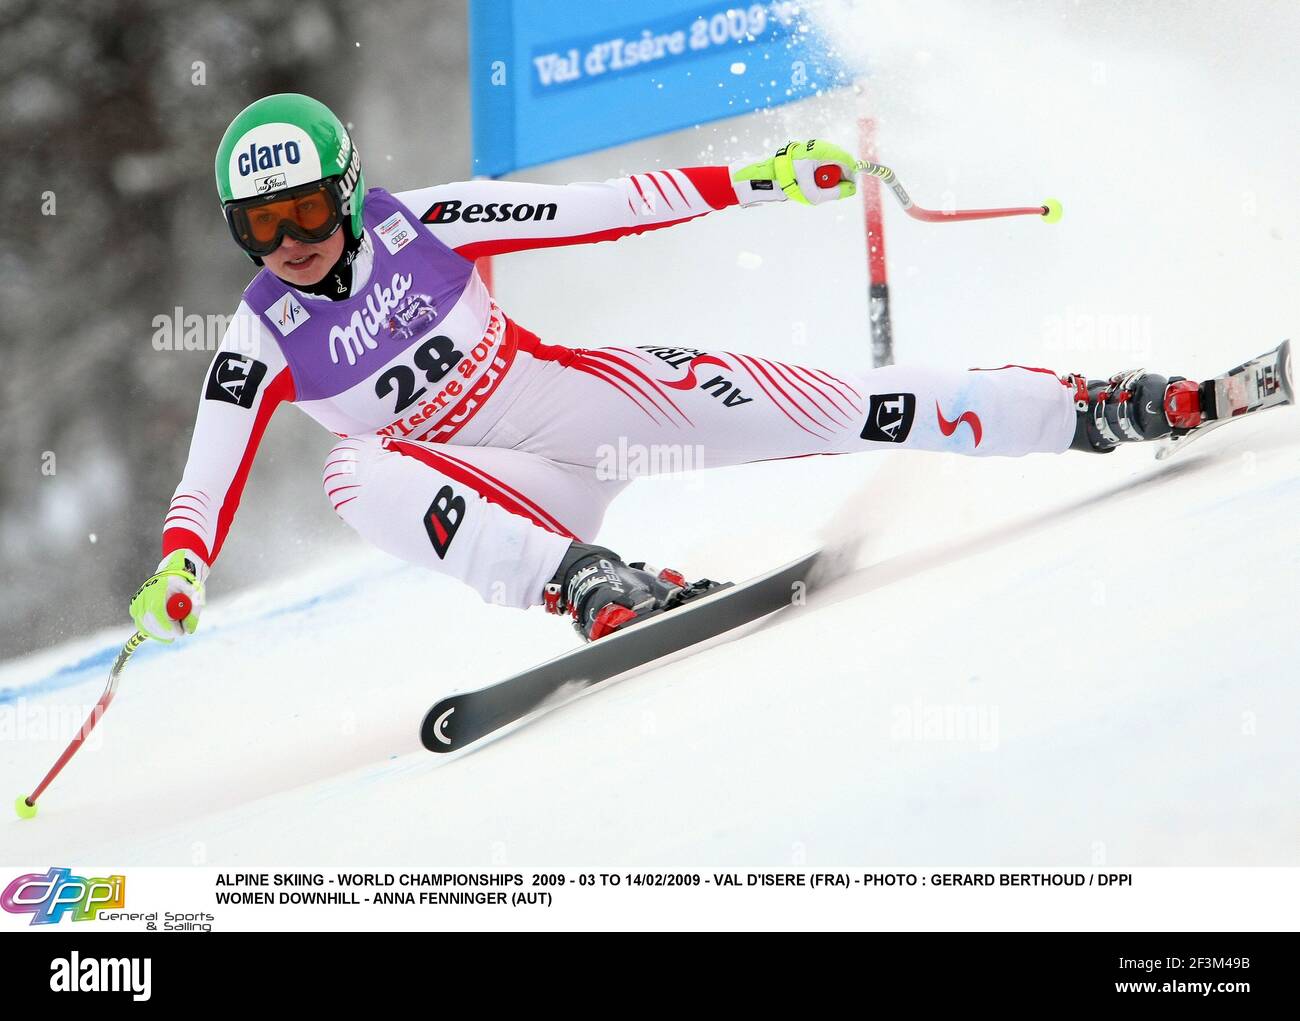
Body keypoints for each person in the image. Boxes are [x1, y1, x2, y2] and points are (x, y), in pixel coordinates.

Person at [129, 93, 1206, 643]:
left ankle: (1092, 407)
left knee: (853, 409)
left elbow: (605, 211)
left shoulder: (431, 219)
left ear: (350, 188)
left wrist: (763, 178)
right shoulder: (260, 333)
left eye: (308, 209)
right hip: (519, 498)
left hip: (596, 407)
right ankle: (585, 583)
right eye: (259, 226)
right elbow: (206, 474)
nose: (290, 243)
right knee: (353, 471)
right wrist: (182, 566)